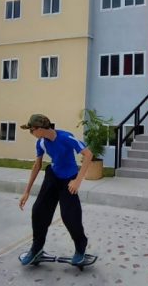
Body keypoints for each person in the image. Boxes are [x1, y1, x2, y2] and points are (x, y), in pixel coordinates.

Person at [18, 113, 93, 266]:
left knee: (69, 216)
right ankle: (36, 249)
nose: (31, 133)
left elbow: (88, 154)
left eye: (31, 130)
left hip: (69, 179)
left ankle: (80, 249)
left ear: (39, 128)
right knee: (38, 211)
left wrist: (77, 181)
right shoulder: (41, 142)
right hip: (52, 177)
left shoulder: (66, 137)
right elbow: (37, 165)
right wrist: (27, 191)